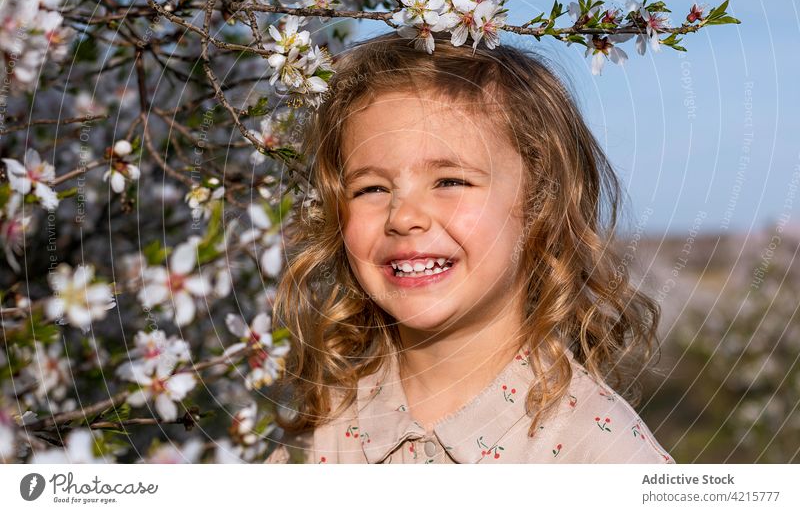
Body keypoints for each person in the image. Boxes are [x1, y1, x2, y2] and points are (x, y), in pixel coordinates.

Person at [265, 31, 675, 464]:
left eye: (450, 181)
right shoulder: (324, 433)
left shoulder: (599, 455)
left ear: (541, 204)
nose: (403, 217)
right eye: (370, 188)